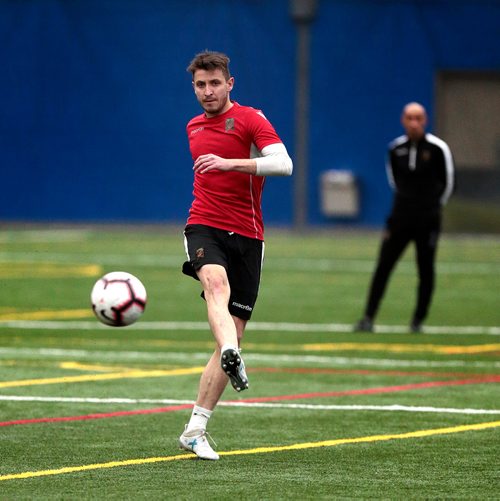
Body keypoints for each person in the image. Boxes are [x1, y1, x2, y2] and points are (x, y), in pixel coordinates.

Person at [178, 51, 293, 460]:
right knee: (215, 286)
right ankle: (230, 353)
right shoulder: (192, 126)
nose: (207, 92)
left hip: (249, 235)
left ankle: (196, 428)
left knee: (236, 329)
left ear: (230, 83)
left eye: (214, 83)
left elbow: (284, 164)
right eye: (199, 85)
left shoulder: (249, 118)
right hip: (203, 225)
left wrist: (230, 162)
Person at [354, 102, 454, 334]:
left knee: (425, 268)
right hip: (400, 220)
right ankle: (368, 317)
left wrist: (432, 210)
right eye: (410, 118)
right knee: (384, 266)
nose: (414, 123)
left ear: (425, 120)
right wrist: (399, 215)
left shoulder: (438, 149)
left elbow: (449, 183)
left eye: (418, 118)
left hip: (428, 221)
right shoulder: (395, 150)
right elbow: (396, 184)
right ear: (403, 120)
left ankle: (418, 320)